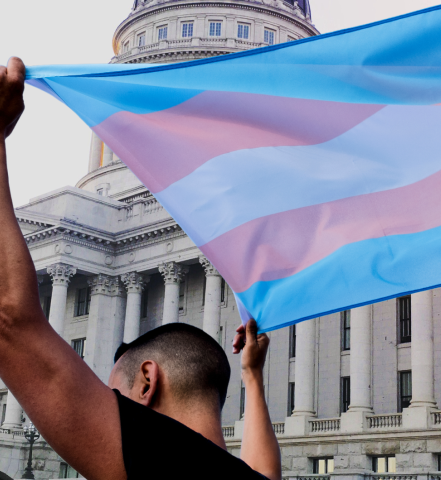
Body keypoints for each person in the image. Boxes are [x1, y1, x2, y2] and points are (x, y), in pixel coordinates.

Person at [0, 57, 281, 480]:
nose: (106, 406)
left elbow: (10, 318)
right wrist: (254, 381)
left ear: (147, 383)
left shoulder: (161, 465)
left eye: (115, 396)